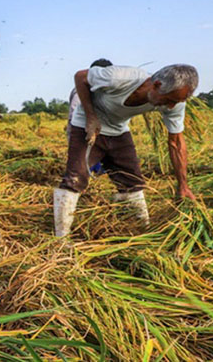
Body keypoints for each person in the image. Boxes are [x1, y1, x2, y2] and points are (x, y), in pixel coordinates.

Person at [53, 64, 199, 237]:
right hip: (88, 124)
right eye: (169, 100)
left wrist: (183, 185)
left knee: (133, 181)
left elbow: (176, 142)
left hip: (119, 130)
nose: (170, 107)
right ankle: (61, 239)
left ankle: (141, 230)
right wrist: (91, 116)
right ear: (157, 85)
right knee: (76, 178)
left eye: (176, 102)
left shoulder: (175, 104)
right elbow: (80, 77)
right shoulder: (120, 77)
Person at [67, 58, 113, 175]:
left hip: (96, 130)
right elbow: (74, 113)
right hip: (82, 130)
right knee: (82, 161)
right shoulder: (81, 90)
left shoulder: (102, 91)